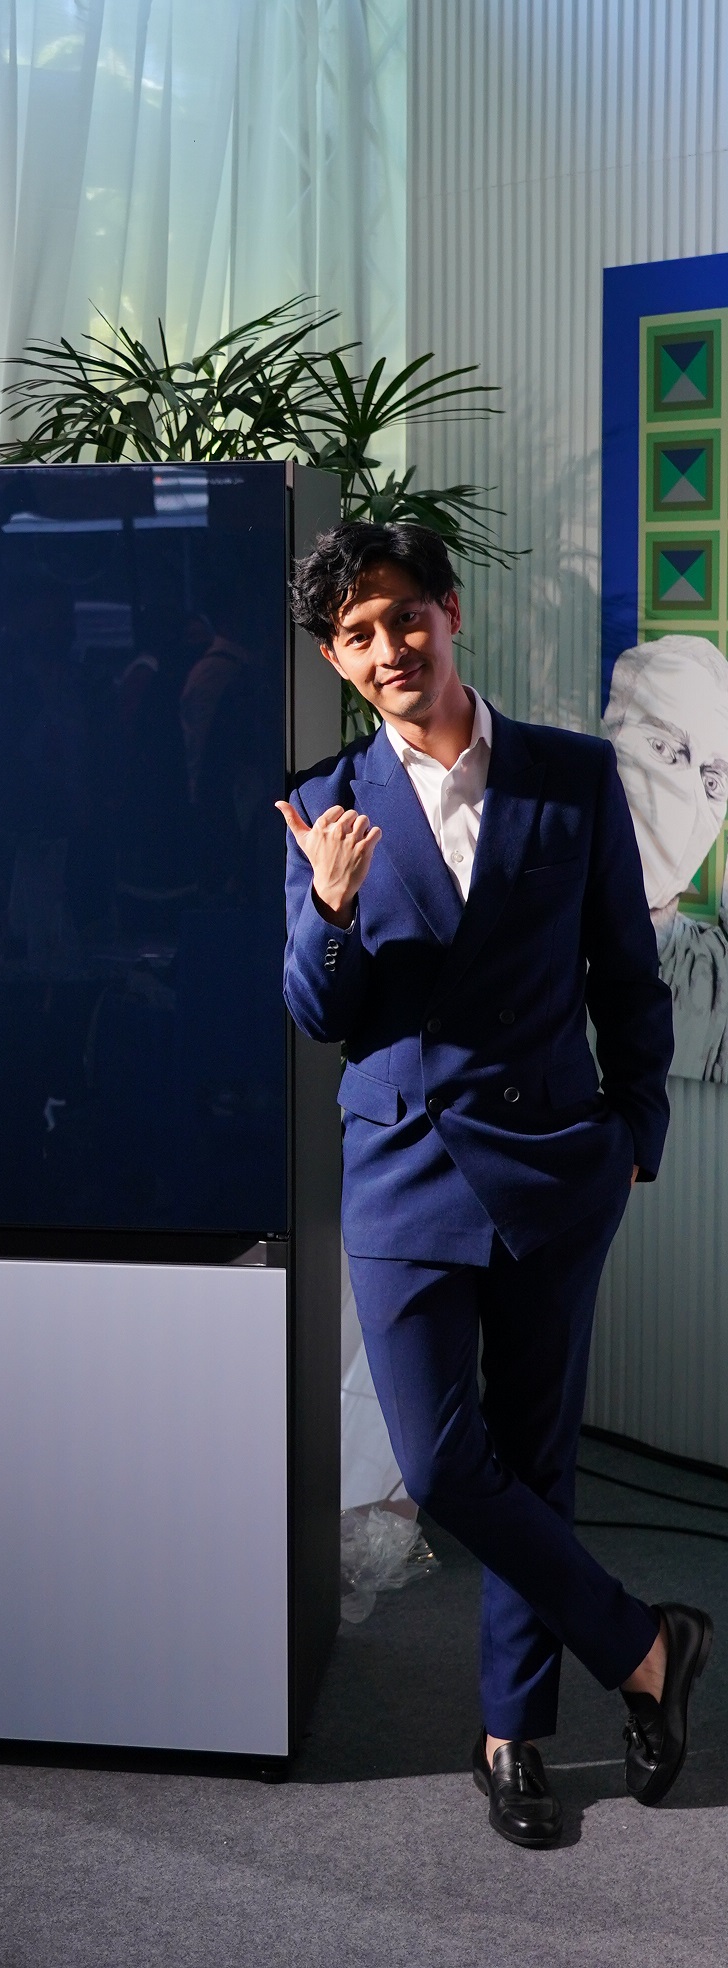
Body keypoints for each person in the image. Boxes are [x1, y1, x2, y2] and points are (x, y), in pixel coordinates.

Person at [278, 520, 710, 1849]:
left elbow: (626, 982)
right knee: (441, 1462)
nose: (387, 649)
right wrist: (331, 908)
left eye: (403, 617)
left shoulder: (571, 779)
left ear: (449, 612)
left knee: (533, 1456)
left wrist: (633, 1133)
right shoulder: (323, 801)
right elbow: (315, 1014)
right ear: (336, 659)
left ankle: (512, 1733)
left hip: (553, 1168)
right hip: (404, 1168)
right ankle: (644, 1646)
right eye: (356, 634)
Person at [603, 633, 728, 1079]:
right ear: (610, 734)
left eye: (712, 784)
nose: (687, 805)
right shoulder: (537, 922)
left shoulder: (711, 980)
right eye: (663, 749)